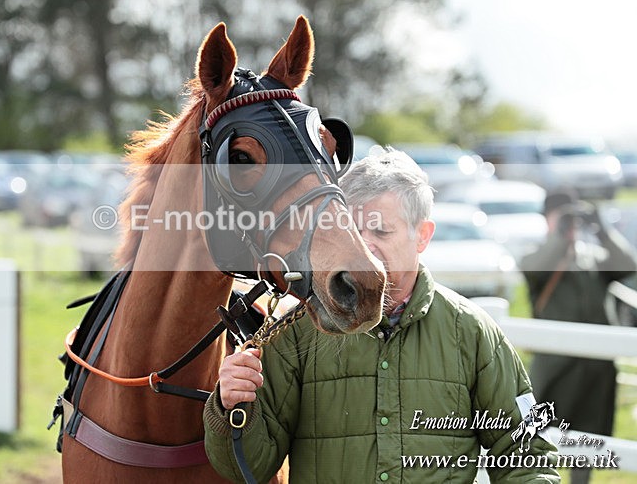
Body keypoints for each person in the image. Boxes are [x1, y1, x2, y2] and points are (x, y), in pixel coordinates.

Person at [204, 148, 560, 482]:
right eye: (352, 230)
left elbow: (528, 453)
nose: (363, 246)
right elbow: (247, 468)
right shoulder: (297, 332)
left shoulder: (471, 331)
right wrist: (231, 407)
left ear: (422, 236)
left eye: (380, 230)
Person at [521, 189, 637, 484]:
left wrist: (602, 229)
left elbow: (628, 266)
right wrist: (561, 236)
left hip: (596, 370)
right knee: (538, 442)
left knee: (587, 444)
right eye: (561, 217)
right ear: (547, 220)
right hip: (557, 370)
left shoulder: (593, 258)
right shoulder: (537, 256)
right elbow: (534, 269)